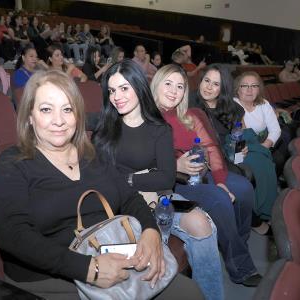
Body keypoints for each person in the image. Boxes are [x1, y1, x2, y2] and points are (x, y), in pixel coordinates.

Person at [0, 69, 201, 300]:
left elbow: (129, 197)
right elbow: (14, 235)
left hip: (106, 250)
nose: (58, 120)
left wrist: (150, 231)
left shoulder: (91, 155)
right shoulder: (13, 163)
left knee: (190, 293)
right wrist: (88, 268)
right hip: (50, 275)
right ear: (29, 116)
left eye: (67, 109)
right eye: (46, 109)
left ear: (77, 116)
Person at [92, 59, 222, 300]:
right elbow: (103, 178)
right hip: (122, 206)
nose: (117, 96)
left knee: (203, 226)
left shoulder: (159, 128)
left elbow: (166, 177)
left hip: (160, 197)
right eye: (112, 90)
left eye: (124, 88)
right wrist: (142, 179)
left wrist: (131, 179)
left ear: (139, 88)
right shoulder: (105, 128)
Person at [183, 64, 262, 286]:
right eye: (206, 80)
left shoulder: (232, 109)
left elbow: (236, 143)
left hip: (222, 164)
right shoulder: (189, 103)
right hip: (199, 166)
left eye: (215, 83)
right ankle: (240, 263)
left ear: (223, 88)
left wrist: (240, 150)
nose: (208, 87)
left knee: (245, 189)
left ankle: (240, 241)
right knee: (231, 193)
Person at [233, 71, 279, 231]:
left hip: (261, 145)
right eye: (244, 86)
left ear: (259, 89)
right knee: (259, 166)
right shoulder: (233, 105)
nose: (249, 90)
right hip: (241, 146)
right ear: (237, 89)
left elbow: (275, 130)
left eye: (254, 86)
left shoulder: (264, 104)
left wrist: (264, 147)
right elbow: (238, 138)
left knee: (269, 162)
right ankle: (257, 214)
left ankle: (268, 209)